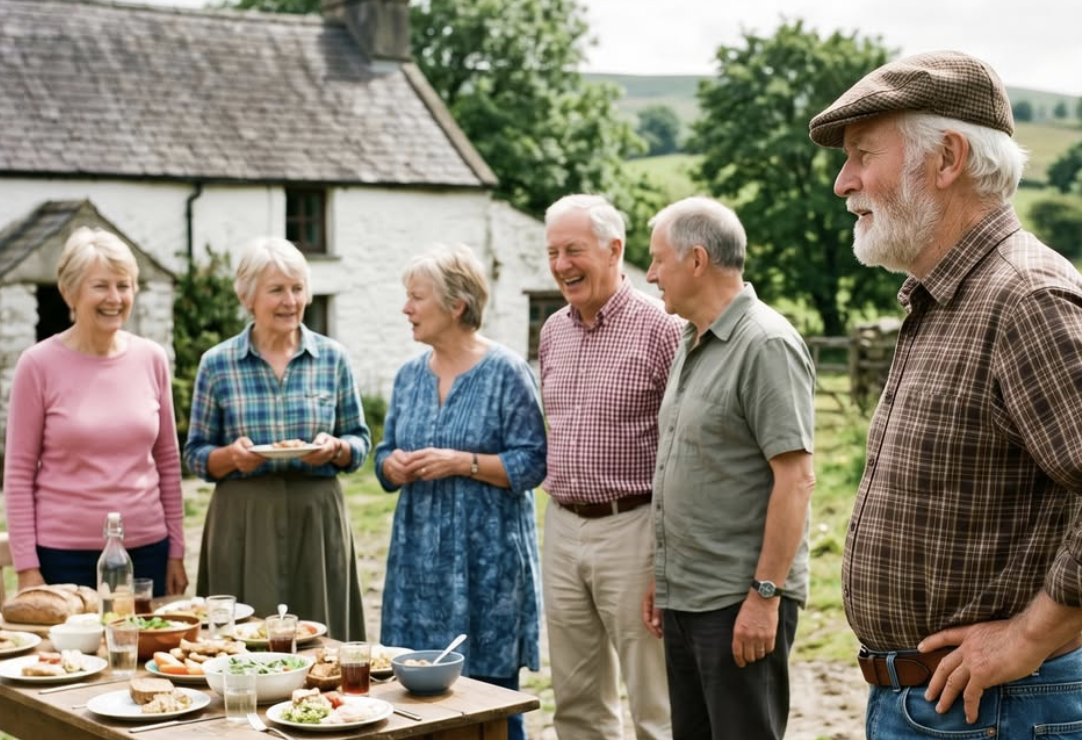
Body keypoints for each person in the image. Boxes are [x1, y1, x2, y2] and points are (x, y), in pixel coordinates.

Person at [808, 50, 1082, 737]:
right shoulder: (946, 297)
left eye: (862, 154)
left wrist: (1028, 636)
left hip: (1000, 707)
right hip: (941, 706)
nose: (844, 183)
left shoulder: (1025, 298)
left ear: (948, 157)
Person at [641, 196, 816, 739]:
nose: (649, 275)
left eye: (657, 260)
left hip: (738, 602)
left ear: (696, 261)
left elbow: (796, 479)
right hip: (686, 595)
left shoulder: (766, 344)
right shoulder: (690, 340)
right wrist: (659, 573)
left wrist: (765, 597)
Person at [375, 244, 546, 740]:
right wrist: (394, 464)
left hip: (487, 565)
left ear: (456, 304)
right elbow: (383, 458)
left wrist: (464, 463)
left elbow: (533, 462)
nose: (406, 308)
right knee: (412, 702)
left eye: (416, 298)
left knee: (491, 703)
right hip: (417, 568)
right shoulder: (408, 377)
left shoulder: (507, 372)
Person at [540, 194, 682, 740]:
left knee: (655, 703)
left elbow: (679, 447)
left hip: (634, 526)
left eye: (573, 250)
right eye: (553, 252)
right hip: (561, 524)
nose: (561, 264)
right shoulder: (553, 330)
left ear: (614, 249)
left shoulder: (661, 327)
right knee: (575, 702)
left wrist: (662, 556)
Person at [183, 236, 370, 640]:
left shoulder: (332, 357)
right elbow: (196, 455)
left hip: (317, 517)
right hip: (242, 520)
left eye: (297, 288)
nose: (290, 300)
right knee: (241, 642)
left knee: (323, 642)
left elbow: (359, 441)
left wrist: (337, 448)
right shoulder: (217, 364)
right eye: (277, 290)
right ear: (248, 297)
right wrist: (232, 457)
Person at [3, 226, 187, 597]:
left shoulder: (152, 358)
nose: (115, 298)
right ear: (69, 291)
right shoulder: (37, 365)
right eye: (101, 286)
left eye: (125, 285)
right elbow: (19, 474)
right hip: (62, 556)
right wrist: (27, 568)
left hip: (147, 551)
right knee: (68, 658)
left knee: (143, 654)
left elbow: (168, 461)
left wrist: (177, 551)